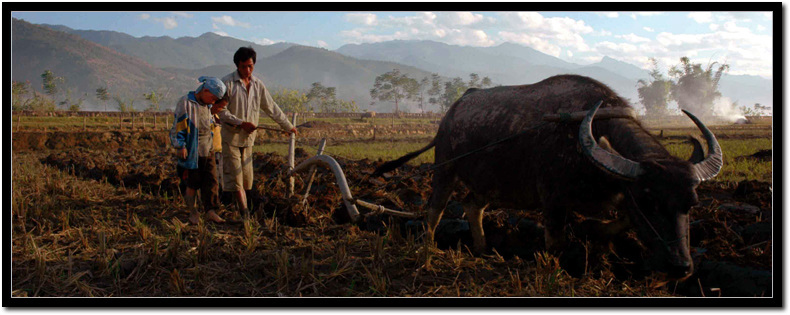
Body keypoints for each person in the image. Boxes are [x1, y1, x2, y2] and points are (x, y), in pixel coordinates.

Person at [218, 46, 296, 219]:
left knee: (246, 177)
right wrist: (240, 123)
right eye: (244, 66)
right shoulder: (227, 83)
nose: (247, 70)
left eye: (250, 66)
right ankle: (244, 212)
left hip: (248, 139)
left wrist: (287, 126)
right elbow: (220, 111)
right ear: (237, 65)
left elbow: (271, 107)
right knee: (236, 177)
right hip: (231, 137)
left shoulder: (257, 85)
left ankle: (239, 207)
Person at [170, 76, 227, 225]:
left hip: (207, 148)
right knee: (192, 183)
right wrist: (180, 145)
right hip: (192, 150)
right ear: (205, 90)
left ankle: (211, 211)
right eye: (213, 98)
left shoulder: (207, 106)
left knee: (212, 180)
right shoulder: (186, 103)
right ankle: (193, 212)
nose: (213, 102)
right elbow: (178, 126)